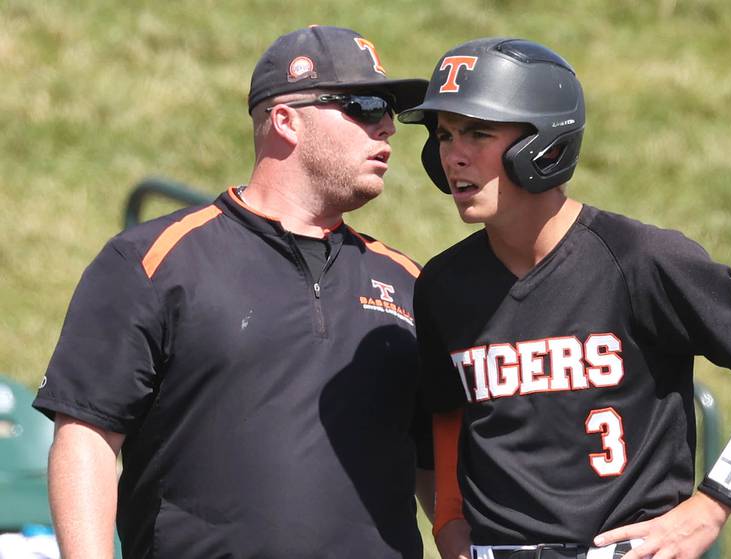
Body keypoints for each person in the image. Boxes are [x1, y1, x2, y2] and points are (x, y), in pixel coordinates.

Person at [33, 25, 434, 559]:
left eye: (388, 110)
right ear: (286, 120)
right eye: (363, 105)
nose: (386, 126)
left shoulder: (410, 282)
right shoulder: (154, 259)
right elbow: (86, 437)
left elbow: (442, 467)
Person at [399, 37, 731, 559]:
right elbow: (447, 412)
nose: (454, 154)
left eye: (479, 132)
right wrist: (449, 520)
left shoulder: (639, 259)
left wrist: (714, 503)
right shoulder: (444, 285)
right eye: (445, 135)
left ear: (544, 145)